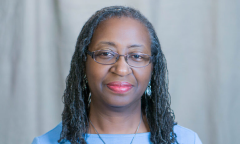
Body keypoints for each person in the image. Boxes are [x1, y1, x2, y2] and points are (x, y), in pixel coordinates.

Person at [32, 6, 202, 144]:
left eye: (136, 56)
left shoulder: (187, 141)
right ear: (84, 63)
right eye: (106, 53)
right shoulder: (47, 142)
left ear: (153, 68)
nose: (121, 69)